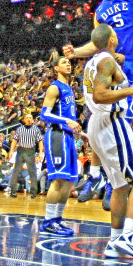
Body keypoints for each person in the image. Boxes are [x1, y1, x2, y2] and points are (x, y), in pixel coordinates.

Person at [83, 24, 133, 264]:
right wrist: (131, 90)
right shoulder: (106, 62)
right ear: (112, 38)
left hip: (97, 124)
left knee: (120, 185)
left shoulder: (96, 61)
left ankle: (114, 242)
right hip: (111, 123)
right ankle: (128, 237)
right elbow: (100, 95)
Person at [39, 56, 83, 236]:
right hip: (56, 135)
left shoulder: (70, 90)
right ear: (56, 67)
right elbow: (44, 114)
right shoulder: (55, 87)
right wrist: (67, 121)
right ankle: (48, 222)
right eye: (64, 62)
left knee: (68, 181)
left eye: (69, 62)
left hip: (68, 137)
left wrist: (78, 128)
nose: (68, 64)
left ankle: (57, 220)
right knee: (58, 181)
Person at [8, 113, 43, 198]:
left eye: (30, 118)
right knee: (16, 171)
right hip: (21, 150)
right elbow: (14, 140)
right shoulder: (20, 129)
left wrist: (41, 152)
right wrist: (11, 151)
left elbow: (40, 141)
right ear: (23, 120)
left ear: (33, 120)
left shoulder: (36, 129)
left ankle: (33, 193)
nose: (29, 119)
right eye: (27, 118)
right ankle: (13, 191)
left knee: (32, 172)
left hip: (31, 151)